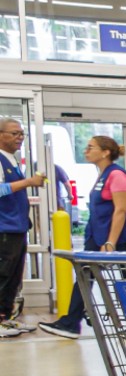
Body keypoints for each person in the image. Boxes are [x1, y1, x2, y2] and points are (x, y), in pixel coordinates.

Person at [40, 136, 126, 338]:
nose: (86, 151)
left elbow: (121, 210)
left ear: (105, 152)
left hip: (117, 237)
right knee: (85, 275)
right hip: (98, 234)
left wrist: (110, 242)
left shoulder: (117, 175)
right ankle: (71, 322)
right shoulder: (102, 174)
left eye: (90, 147)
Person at [0, 118, 47, 337]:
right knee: (3, 274)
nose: (19, 138)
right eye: (14, 133)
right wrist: (28, 182)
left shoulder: (12, 160)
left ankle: (8, 317)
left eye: (21, 134)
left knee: (14, 276)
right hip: (4, 228)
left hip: (17, 227)